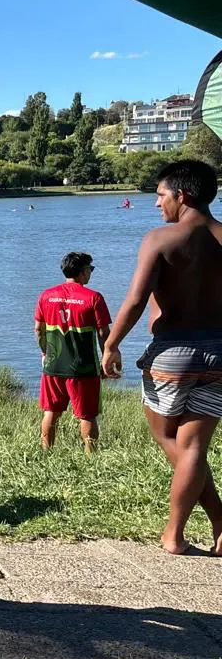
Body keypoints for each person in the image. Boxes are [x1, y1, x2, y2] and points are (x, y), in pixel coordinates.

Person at [102, 159, 222, 556]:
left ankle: (202, 525)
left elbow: (137, 300)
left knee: (168, 438)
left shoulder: (160, 239)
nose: (157, 204)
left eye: (160, 195)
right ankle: (183, 532)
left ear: (181, 195)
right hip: (219, 352)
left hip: (172, 353)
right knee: (194, 447)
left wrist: (111, 343)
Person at [35, 252, 111, 452]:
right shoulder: (93, 297)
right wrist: (107, 358)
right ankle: (90, 456)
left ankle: (46, 452)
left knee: (51, 411)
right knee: (87, 415)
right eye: (90, 269)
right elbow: (103, 333)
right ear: (83, 271)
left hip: (53, 365)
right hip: (83, 368)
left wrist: (45, 354)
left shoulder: (46, 295)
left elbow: (38, 330)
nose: (91, 273)